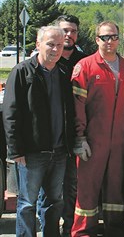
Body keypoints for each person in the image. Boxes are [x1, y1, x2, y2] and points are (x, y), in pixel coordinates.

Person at [3, 26, 76, 237]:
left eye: (60, 45)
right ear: (38, 44)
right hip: (32, 153)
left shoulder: (64, 73)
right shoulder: (22, 71)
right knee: (27, 203)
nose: (55, 49)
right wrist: (16, 151)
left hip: (59, 151)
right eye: (50, 44)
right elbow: (11, 113)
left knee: (54, 201)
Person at [70, 21, 124, 236]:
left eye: (113, 37)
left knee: (115, 187)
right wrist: (80, 137)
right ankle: (83, 232)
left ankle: (113, 229)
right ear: (97, 40)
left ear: (118, 39)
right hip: (93, 139)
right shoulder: (85, 66)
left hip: (119, 140)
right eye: (104, 37)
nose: (109, 41)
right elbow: (77, 106)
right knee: (87, 189)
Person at [55, 14, 88, 235]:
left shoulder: (83, 61)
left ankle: (70, 229)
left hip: (76, 134)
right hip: (52, 135)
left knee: (73, 187)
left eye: (73, 31)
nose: (69, 35)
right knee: (50, 191)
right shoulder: (48, 59)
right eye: (65, 30)